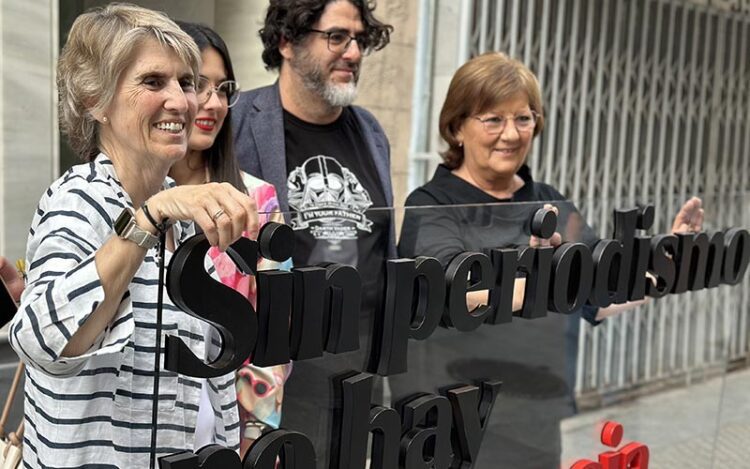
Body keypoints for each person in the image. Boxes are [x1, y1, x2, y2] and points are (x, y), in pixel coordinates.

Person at [398, 52, 704, 467]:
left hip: (536, 421)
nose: (511, 134)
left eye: (523, 119)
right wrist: (549, 278)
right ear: (457, 128)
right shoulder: (431, 205)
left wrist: (668, 262)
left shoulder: (550, 202)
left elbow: (602, 289)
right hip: (453, 428)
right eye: (492, 119)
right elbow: (452, 291)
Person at [8, 5, 258, 467]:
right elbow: (41, 341)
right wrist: (145, 220)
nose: (183, 101)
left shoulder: (179, 210)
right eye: (153, 82)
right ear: (94, 100)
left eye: (186, 82)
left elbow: (205, 374)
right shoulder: (77, 199)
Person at [231, 1, 394, 466]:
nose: (353, 52)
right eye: (337, 37)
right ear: (287, 41)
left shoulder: (370, 131)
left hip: (361, 372)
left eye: (359, 39)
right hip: (276, 373)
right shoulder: (239, 122)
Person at [170, 21, 292, 458]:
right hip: (138, 424)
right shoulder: (130, 201)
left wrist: (252, 436)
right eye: (197, 85)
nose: (213, 102)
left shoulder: (257, 200)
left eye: (223, 89)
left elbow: (278, 328)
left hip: (231, 430)